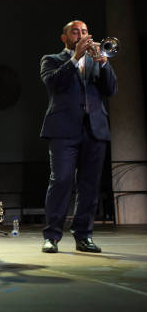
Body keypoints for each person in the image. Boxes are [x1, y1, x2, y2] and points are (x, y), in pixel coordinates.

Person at [40, 20, 117, 253]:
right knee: (61, 180)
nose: (81, 35)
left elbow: (111, 90)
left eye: (84, 32)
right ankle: (52, 236)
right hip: (63, 130)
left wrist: (104, 64)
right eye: (75, 32)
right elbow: (53, 83)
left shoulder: (97, 60)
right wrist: (75, 58)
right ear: (65, 38)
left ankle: (84, 236)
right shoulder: (51, 59)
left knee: (89, 186)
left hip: (94, 130)